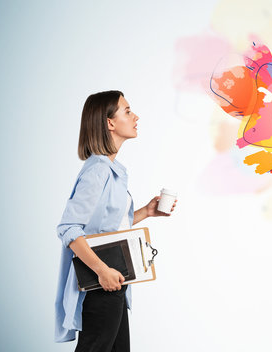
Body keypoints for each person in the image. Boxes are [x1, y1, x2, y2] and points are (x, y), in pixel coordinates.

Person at [54, 90, 176, 351]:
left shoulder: (110, 169)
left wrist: (146, 212)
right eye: (128, 111)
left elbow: (107, 227)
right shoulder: (98, 170)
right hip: (102, 281)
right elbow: (69, 229)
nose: (136, 117)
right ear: (110, 122)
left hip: (115, 280)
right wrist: (101, 271)